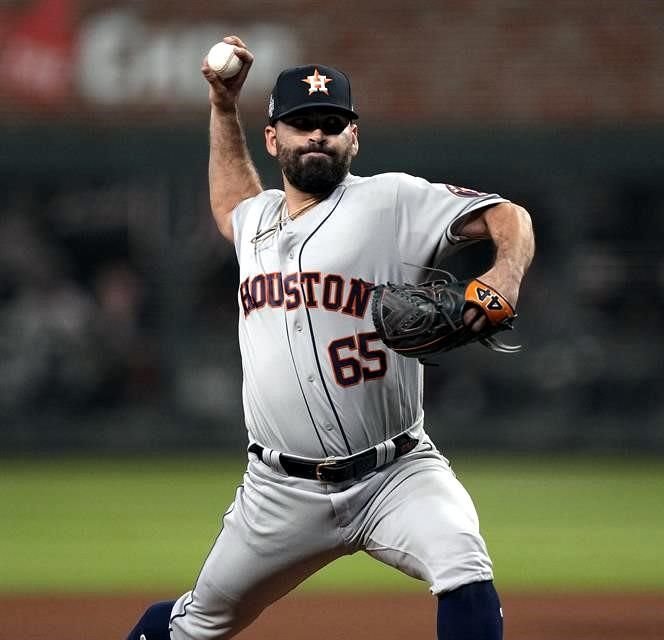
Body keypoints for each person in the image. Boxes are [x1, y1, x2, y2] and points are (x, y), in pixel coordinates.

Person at [126, 35, 535, 640]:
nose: (316, 135)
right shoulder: (258, 218)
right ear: (275, 139)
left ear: (353, 137)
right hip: (278, 490)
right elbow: (231, 198)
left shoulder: (391, 198)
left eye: (330, 123)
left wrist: (502, 277)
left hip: (395, 473)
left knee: (462, 560)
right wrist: (221, 107)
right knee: (197, 624)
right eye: (300, 124)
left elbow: (509, 217)